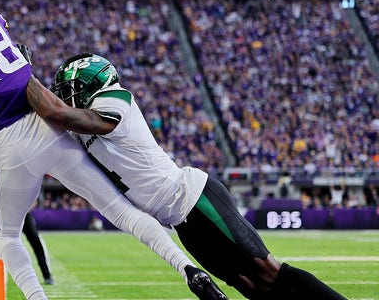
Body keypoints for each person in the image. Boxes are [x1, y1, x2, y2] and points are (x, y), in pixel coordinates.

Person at [0, 0, 224, 299]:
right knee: (120, 210)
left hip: (9, 142)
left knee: (8, 237)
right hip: (50, 129)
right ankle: (188, 270)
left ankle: (37, 297)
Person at [25, 53, 347, 300]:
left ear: (92, 84)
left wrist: (23, 75)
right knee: (251, 287)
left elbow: (59, 113)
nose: (66, 97)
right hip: (181, 223)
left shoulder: (115, 100)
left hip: (195, 198)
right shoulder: (83, 126)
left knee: (267, 270)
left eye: (71, 90)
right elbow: (39, 135)